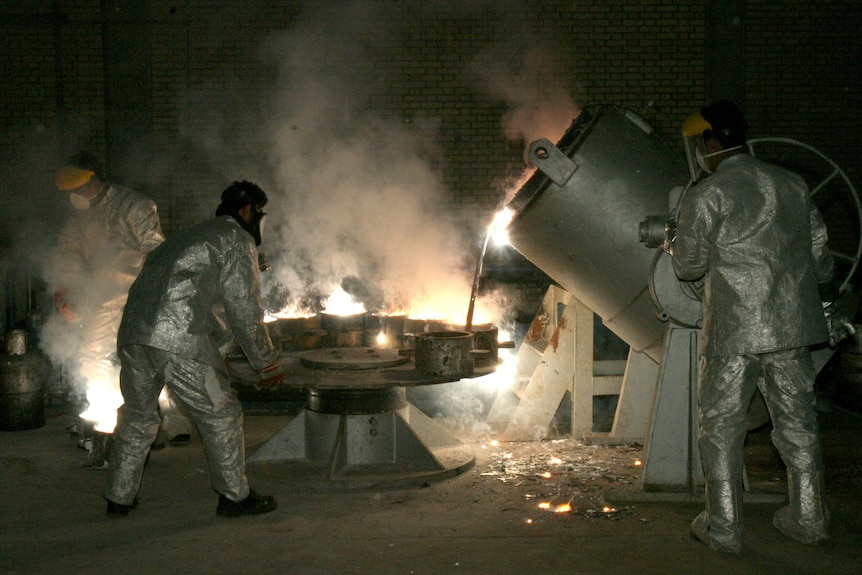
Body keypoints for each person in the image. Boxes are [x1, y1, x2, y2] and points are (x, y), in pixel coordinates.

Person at [669, 100, 842, 552]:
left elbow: (688, 267)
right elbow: (821, 259)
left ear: (710, 143)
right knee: (799, 425)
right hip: (790, 329)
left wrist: (672, 242)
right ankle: (809, 517)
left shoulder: (707, 194)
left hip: (734, 332)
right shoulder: (793, 184)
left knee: (721, 426)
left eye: (698, 145)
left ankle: (724, 528)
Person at [104, 180, 285, 518]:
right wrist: (266, 362)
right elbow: (242, 308)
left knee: (138, 418)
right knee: (222, 414)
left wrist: (216, 355)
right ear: (248, 210)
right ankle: (234, 498)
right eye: (259, 214)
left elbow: (198, 302)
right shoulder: (236, 239)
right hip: (176, 335)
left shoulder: (189, 238)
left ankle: (118, 497)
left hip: (133, 334)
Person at [49, 153, 192, 456]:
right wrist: (65, 295)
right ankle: (109, 411)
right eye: (68, 193)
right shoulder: (80, 218)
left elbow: (156, 252)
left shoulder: (135, 205)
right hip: (103, 298)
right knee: (92, 356)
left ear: (93, 181)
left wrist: (157, 298)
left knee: (155, 361)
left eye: (76, 189)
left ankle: (174, 423)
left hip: (141, 295)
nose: (72, 196)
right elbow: (67, 256)